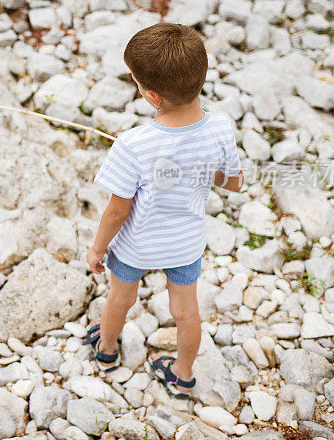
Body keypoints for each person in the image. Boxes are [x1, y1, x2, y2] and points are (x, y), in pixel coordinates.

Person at [84, 22, 245, 399]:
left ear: (151, 96)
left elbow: (117, 211)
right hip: (185, 244)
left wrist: (96, 249)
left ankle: (107, 351)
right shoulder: (220, 128)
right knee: (186, 312)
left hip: (135, 247)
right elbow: (234, 183)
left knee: (120, 299)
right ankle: (182, 374)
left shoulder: (132, 144)